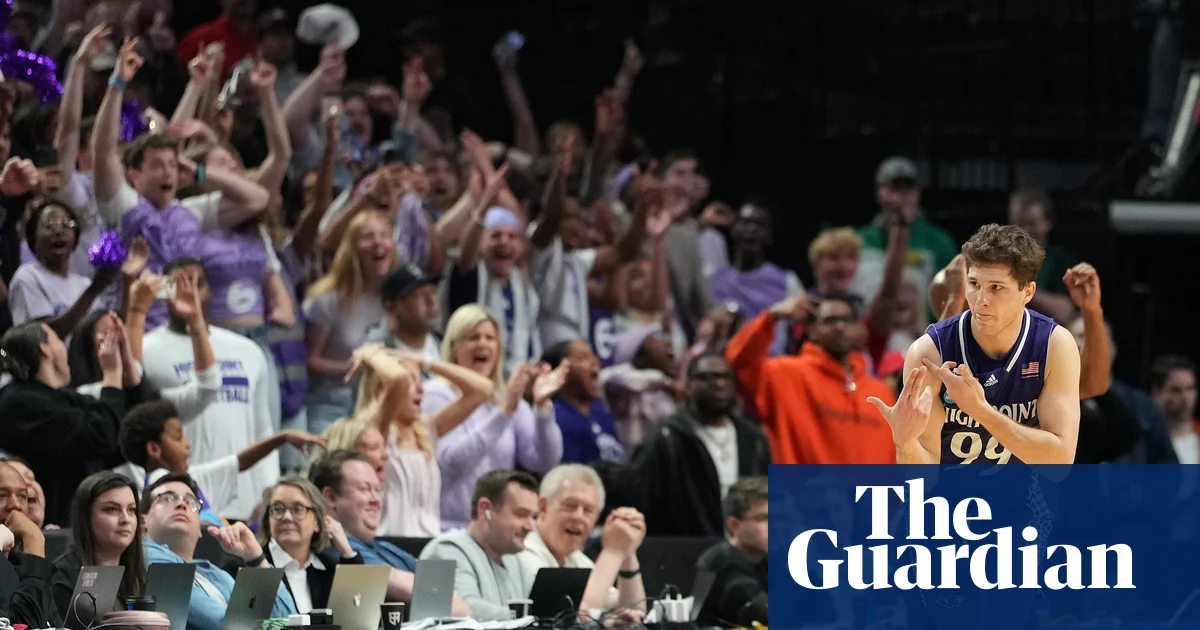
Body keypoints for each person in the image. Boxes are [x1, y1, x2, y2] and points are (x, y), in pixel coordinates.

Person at [92, 38, 270, 330]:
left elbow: (257, 199)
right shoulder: (123, 205)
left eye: (173, 166)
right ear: (134, 175)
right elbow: (103, 152)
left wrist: (200, 172)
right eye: (157, 166)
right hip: (135, 331)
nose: (168, 173)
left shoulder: (190, 212)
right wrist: (117, 84)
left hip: (186, 330)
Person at [870, 223, 1082, 465]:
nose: (981, 300)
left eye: (996, 287)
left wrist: (981, 411)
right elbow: (923, 476)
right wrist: (905, 443)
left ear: (1028, 292)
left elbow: (1059, 464)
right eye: (974, 284)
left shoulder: (1054, 345)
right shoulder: (929, 352)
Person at [139, 258, 279, 519]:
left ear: (211, 292)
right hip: (185, 503)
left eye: (197, 284)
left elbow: (263, 429)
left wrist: (270, 491)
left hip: (247, 503)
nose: (189, 293)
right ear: (163, 293)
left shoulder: (248, 351)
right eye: (178, 285)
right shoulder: (146, 350)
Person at [424, 305, 564, 529]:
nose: (483, 344)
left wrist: (542, 409)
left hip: (495, 531)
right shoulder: (436, 394)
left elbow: (543, 461)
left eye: (490, 338)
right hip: (444, 528)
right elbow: (450, 465)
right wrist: (503, 413)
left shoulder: (508, 400)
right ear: (454, 347)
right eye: (473, 337)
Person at [726, 293, 897, 464]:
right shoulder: (785, 374)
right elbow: (739, 364)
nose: (839, 327)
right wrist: (771, 316)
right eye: (830, 320)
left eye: (847, 320)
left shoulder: (880, 392)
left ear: (860, 330)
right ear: (812, 330)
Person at [350, 344, 495, 537]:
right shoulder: (377, 431)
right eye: (412, 381)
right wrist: (370, 355)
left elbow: (483, 389)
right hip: (390, 541)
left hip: (428, 542)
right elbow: (398, 379)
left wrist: (423, 361)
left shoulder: (426, 431)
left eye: (420, 380)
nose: (420, 389)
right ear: (380, 390)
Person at [308, 450, 469, 614]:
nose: (375, 500)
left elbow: (451, 600)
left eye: (378, 490)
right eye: (364, 489)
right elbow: (438, 599)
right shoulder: (337, 551)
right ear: (330, 497)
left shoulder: (387, 548)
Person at [0, 322, 128, 524]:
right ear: (45, 349)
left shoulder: (63, 397)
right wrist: (112, 375)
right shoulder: (19, 402)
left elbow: (121, 438)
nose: (64, 347)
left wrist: (128, 371)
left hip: (82, 519)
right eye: (58, 340)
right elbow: (101, 437)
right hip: (54, 526)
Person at [120, 399, 324, 525]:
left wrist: (282, 437)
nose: (188, 444)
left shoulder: (191, 477)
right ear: (154, 449)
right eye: (178, 437)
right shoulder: (159, 483)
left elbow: (239, 461)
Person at [632, 353, 771, 537]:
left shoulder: (753, 439)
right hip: (687, 547)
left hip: (745, 548)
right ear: (688, 386)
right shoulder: (666, 437)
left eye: (725, 377)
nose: (718, 384)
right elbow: (643, 500)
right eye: (707, 377)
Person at [141, 473, 295, 630]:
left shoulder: (215, 574)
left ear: (199, 527)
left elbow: (290, 620)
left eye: (190, 501)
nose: (182, 504)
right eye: (167, 498)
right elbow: (225, 625)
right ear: (142, 521)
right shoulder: (145, 557)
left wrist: (256, 558)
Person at [304, 210, 397, 433]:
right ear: (352, 250)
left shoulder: (398, 301)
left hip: (379, 403)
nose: (378, 243)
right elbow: (310, 360)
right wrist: (350, 369)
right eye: (368, 237)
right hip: (332, 405)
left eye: (385, 235)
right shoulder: (328, 302)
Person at [516, 465, 647, 616]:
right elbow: (577, 615)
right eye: (570, 506)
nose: (578, 516)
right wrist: (613, 552)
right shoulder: (521, 549)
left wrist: (627, 551)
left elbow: (633, 610)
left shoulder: (577, 560)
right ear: (543, 507)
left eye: (588, 510)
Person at [420, 470, 540, 622]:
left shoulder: (515, 561)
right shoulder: (444, 551)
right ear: (485, 510)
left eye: (533, 517)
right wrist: (536, 618)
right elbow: (465, 611)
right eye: (521, 514)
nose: (530, 527)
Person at [853, 157, 957, 321]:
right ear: (879, 192)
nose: (900, 195)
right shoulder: (860, 239)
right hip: (869, 327)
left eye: (907, 188)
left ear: (917, 193)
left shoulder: (938, 242)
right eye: (893, 187)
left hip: (921, 328)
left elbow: (951, 295)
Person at [249, 477, 362, 613]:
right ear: (268, 519)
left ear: (318, 522)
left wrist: (346, 551)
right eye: (278, 509)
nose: (287, 517)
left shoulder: (328, 567)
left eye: (297, 509)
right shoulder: (251, 565)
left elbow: (359, 614)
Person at [707, 201, 804, 356]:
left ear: (770, 235)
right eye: (746, 222)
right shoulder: (713, 280)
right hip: (720, 363)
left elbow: (801, 330)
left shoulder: (787, 281)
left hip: (768, 363)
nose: (752, 230)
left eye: (760, 224)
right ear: (733, 229)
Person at [51, 472, 147, 620]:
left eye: (131, 510)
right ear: (86, 517)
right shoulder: (62, 577)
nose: (125, 519)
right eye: (111, 509)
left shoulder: (137, 577)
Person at [696, 477, 768, 628]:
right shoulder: (721, 561)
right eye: (764, 518)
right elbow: (762, 611)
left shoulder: (768, 560)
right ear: (734, 524)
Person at [540, 340, 625, 463]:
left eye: (594, 356)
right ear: (561, 372)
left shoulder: (600, 410)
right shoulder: (556, 418)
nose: (595, 362)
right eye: (583, 358)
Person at [0, 461, 58, 628]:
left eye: (23, 496)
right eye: (1, 495)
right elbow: (27, 624)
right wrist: (34, 539)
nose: (15, 505)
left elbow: (52, 624)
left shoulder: (19, 564)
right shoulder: (33, 553)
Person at [361, 264, 443, 362]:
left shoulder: (444, 344)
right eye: (418, 295)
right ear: (391, 308)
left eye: (433, 291)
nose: (431, 301)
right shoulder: (375, 355)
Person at [1150, 354, 1200, 463]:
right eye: (1176, 390)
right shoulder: (1142, 441)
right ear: (1157, 392)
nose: (1185, 397)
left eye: (1190, 388)